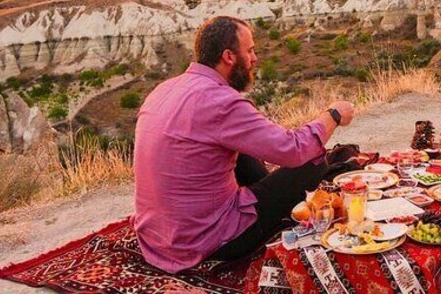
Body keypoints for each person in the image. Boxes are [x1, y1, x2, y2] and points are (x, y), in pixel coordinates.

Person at [133, 16, 355, 273]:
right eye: (249, 50)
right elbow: (292, 150)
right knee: (311, 162)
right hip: (207, 240)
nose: (255, 58)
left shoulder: (163, 89)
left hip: (156, 238)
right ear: (229, 56)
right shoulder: (219, 101)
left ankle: (263, 201)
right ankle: (264, 217)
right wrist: (333, 116)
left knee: (241, 152)